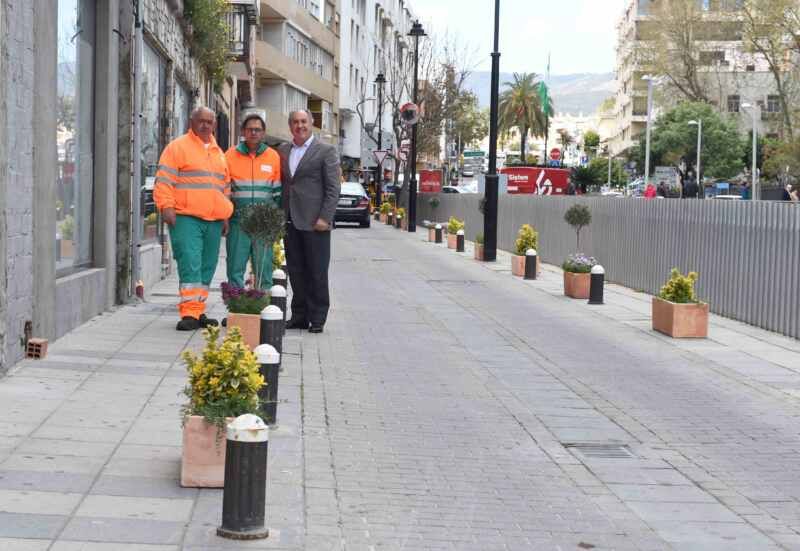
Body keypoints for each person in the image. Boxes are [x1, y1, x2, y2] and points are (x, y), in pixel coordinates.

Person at [154, 106, 232, 331]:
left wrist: (225, 215)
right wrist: (166, 206)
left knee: (207, 265)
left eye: (209, 121)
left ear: (214, 124)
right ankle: (189, 312)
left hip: (214, 219)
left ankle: (198, 309)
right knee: (190, 263)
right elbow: (164, 180)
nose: (205, 125)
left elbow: (223, 187)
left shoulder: (218, 152)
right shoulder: (178, 147)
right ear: (192, 121)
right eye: (201, 120)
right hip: (186, 216)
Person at [278, 109, 340, 333]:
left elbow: (333, 188)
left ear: (312, 124)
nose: (300, 126)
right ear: (290, 126)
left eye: (304, 121)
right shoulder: (283, 150)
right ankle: (299, 315)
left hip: (316, 223)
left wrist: (325, 217)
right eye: (295, 122)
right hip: (290, 220)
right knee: (296, 270)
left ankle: (318, 318)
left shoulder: (325, 151)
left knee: (317, 271)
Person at [225, 112, 282, 292]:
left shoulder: (273, 156)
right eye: (250, 129)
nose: (254, 133)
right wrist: (225, 218)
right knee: (235, 267)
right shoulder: (229, 155)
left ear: (263, 133)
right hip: (237, 222)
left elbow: (277, 193)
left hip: (262, 224)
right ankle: (236, 308)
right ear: (243, 131)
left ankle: (263, 307)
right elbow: (224, 191)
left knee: (263, 268)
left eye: (258, 130)